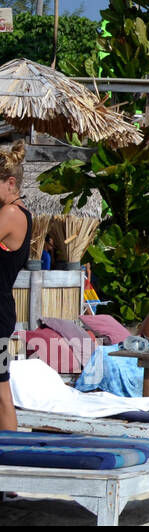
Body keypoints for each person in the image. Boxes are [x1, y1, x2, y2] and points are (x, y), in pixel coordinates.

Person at [0, 143, 31, 431]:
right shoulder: (13, 211)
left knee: (1, 393)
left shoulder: (10, 214)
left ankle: (8, 455)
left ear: (11, 183)